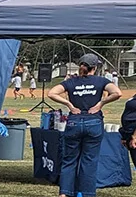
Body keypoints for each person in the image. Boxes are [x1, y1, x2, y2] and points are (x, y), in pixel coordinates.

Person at [48, 54, 122, 197]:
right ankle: (87, 193)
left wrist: (69, 104)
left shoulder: (71, 82)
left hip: (74, 121)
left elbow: (52, 93)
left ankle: (64, 193)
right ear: (94, 67)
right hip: (93, 122)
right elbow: (117, 93)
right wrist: (100, 104)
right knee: (89, 161)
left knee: (69, 160)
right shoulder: (101, 81)